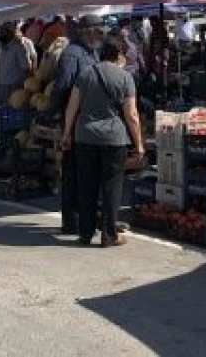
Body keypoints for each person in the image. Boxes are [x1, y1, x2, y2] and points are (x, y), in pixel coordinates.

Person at [60, 35, 144, 247]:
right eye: (124, 54)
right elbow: (132, 115)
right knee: (111, 187)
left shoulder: (86, 74)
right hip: (114, 140)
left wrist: (66, 134)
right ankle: (109, 235)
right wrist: (139, 145)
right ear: (119, 54)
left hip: (84, 137)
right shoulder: (125, 78)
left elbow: (72, 107)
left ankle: (85, 234)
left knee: (86, 186)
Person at [50, 15, 105, 234]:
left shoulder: (92, 52)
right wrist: (57, 113)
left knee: (86, 171)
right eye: (97, 30)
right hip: (74, 119)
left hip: (89, 119)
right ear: (85, 31)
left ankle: (86, 218)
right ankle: (71, 221)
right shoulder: (72, 54)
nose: (101, 34)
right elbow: (62, 86)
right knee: (72, 171)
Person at [0, 23, 33, 105]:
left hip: (14, 86)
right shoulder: (2, 47)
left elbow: (26, 68)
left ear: (9, 33)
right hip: (3, 85)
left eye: (2, 32)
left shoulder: (18, 48)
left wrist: (22, 84)